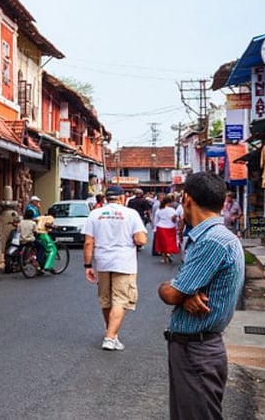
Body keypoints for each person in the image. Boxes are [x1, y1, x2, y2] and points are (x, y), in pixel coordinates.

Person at [158, 172, 246, 420]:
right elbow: (181, 292)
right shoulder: (218, 237)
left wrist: (172, 290)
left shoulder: (212, 241)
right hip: (199, 348)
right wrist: (183, 294)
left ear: (186, 199)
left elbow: (172, 293)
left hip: (197, 350)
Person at [82, 185, 148, 351]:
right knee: (120, 299)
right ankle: (110, 338)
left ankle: (112, 333)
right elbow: (141, 239)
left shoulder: (95, 214)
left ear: (105, 198)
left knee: (106, 300)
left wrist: (88, 265)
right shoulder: (130, 214)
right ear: (122, 197)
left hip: (103, 262)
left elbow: (88, 242)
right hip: (124, 262)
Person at [153, 195, 181, 264]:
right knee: (170, 242)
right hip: (171, 227)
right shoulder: (172, 210)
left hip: (161, 227)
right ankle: (169, 252)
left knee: (162, 243)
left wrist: (155, 228)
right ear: (169, 202)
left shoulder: (159, 210)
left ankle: (163, 258)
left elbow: (156, 220)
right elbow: (176, 220)